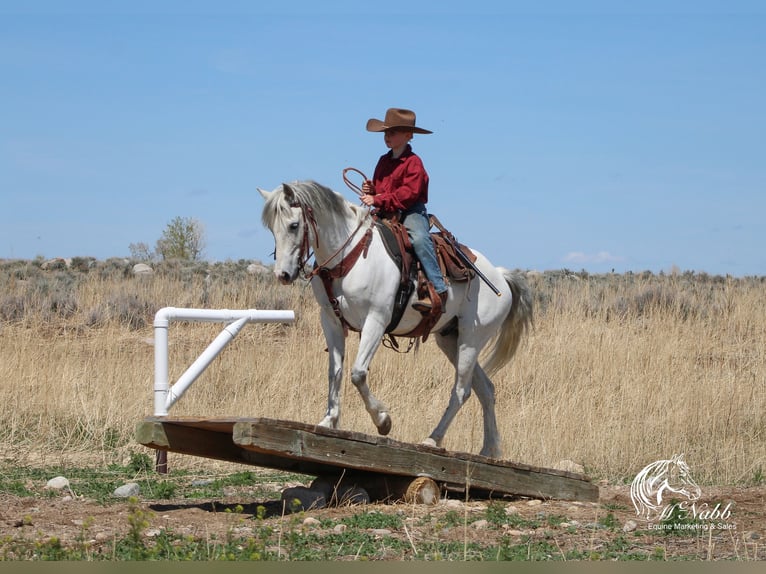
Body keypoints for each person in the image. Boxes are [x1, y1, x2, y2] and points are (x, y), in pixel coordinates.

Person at [360, 108, 448, 314]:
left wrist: (377, 198)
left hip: (410, 211)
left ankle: (438, 289)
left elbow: (408, 193)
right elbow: (381, 189)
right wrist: (372, 190)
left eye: (393, 132)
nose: (387, 136)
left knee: (419, 239)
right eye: (386, 133)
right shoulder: (383, 160)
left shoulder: (414, 162)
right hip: (385, 211)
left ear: (409, 135)